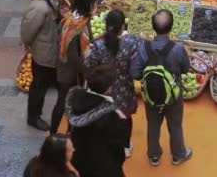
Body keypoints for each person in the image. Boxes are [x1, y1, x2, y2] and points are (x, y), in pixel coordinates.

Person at [130, 9, 193, 167]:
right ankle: (178, 155)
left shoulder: (144, 48)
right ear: (171, 27)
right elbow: (186, 69)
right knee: (175, 125)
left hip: (150, 97)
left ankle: (154, 156)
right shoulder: (178, 49)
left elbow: (135, 72)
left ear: (153, 27)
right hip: (173, 96)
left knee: (153, 125)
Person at [21, 0, 74, 131]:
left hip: (51, 51)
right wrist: (28, 45)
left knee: (45, 81)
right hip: (43, 54)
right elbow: (27, 30)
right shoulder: (40, 7)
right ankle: (33, 117)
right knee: (38, 86)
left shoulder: (52, 0)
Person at [86, 9, 141, 158]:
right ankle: (125, 146)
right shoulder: (132, 42)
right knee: (125, 119)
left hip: (104, 90)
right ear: (123, 26)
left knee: (105, 119)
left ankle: (105, 146)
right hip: (124, 89)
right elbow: (138, 65)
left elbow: (89, 64)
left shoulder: (98, 45)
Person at [50, 0, 98, 135]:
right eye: (95, 4)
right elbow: (73, 56)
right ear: (89, 5)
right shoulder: (77, 26)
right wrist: (86, 72)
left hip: (73, 70)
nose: (96, 6)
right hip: (69, 73)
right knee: (63, 102)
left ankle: (70, 131)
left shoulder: (76, 17)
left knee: (70, 102)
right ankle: (54, 133)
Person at [66, 64, 128, 177]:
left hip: (81, 161)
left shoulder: (77, 101)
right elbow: (118, 146)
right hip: (104, 166)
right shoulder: (110, 115)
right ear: (108, 88)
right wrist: (123, 122)